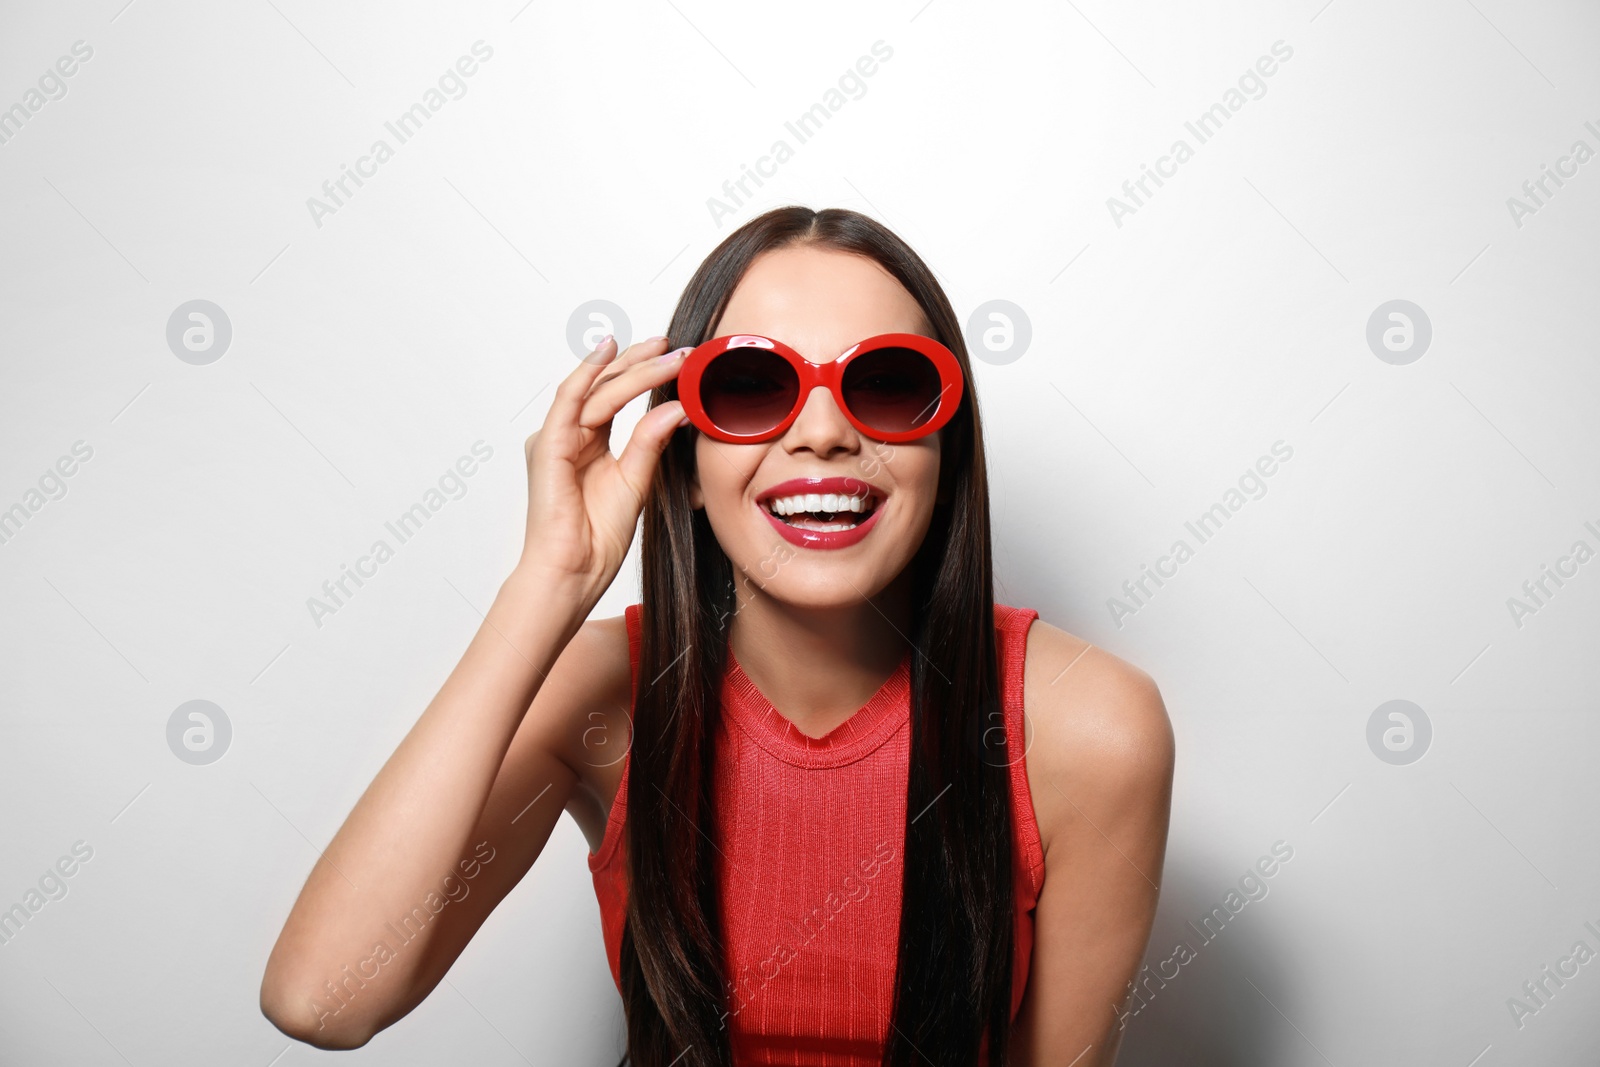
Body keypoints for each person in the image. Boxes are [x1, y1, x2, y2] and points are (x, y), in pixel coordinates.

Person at [259, 205, 1175, 1066]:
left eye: (887, 387)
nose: (822, 431)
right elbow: (322, 999)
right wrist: (550, 584)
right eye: (751, 386)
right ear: (685, 460)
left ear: (948, 453)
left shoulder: (1086, 727)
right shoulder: (607, 698)